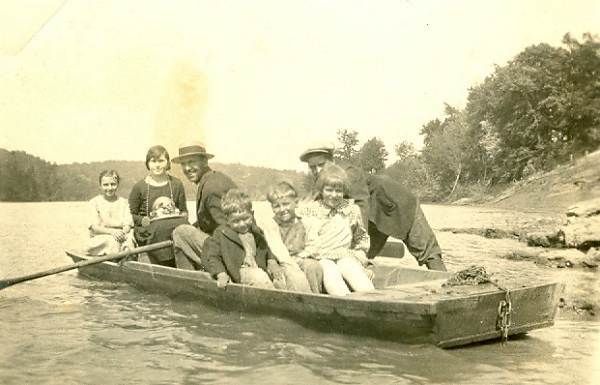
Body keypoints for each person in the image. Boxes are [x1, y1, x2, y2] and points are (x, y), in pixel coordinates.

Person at [299, 141, 447, 271]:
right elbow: (317, 208)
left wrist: (356, 244)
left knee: (427, 252)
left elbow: (361, 207)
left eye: (321, 165)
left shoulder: (348, 174)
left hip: (398, 202)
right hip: (375, 216)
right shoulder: (324, 180)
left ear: (332, 161)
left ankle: (445, 285)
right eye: (312, 167)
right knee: (359, 259)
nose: (317, 170)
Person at [296, 163, 375, 296]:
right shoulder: (311, 210)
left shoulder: (351, 210)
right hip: (321, 256)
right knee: (331, 274)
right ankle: (344, 303)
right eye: (329, 190)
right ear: (321, 190)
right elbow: (296, 226)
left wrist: (361, 254)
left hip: (345, 255)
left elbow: (360, 236)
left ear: (344, 191)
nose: (334, 195)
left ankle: (371, 301)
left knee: (358, 276)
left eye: (338, 190)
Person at [170, 142, 237, 270]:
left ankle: (188, 280)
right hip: (229, 246)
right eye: (183, 164)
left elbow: (227, 227)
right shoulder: (213, 179)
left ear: (205, 162)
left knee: (179, 232)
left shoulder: (212, 187)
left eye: (191, 162)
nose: (187, 168)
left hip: (231, 253)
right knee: (185, 230)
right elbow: (209, 219)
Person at [203, 189, 282, 289]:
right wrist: (221, 274)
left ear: (252, 214)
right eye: (236, 221)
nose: (242, 224)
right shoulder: (221, 233)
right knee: (260, 277)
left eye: (246, 218)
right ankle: (275, 301)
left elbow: (265, 247)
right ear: (227, 219)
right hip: (241, 271)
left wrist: (272, 261)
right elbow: (213, 256)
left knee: (280, 278)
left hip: (259, 268)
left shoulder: (255, 231)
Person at [129, 145, 188, 266]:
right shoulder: (140, 187)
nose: (157, 165)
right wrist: (144, 220)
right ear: (147, 163)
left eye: (161, 161)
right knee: (160, 228)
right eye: (153, 161)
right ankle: (165, 263)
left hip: (173, 226)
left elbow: (184, 211)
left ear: (167, 163)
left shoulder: (176, 184)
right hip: (148, 230)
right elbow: (129, 215)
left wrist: (180, 216)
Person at [267, 181, 324, 293]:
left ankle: (317, 297)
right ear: (272, 208)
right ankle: (302, 302)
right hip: (282, 262)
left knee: (313, 267)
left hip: (301, 257)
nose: (282, 209)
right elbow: (278, 250)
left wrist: (302, 256)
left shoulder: (305, 222)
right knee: (297, 278)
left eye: (286, 204)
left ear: (296, 202)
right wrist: (293, 265)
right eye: (277, 206)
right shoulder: (272, 225)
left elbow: (313, 245)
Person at [86, 170, 135, 255]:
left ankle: (127, 260)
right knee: (113, 242)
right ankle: (114, 262)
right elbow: (94, 228)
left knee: (130, 240)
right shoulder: (94, 202)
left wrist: (122, 233)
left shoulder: (124, 203)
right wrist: (112, 232)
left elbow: (127, 224)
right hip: (101, 237)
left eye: (113, 184)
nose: (109, 188)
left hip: (121, 235)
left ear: (117, 185)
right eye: (105, 185)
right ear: (100, 186)